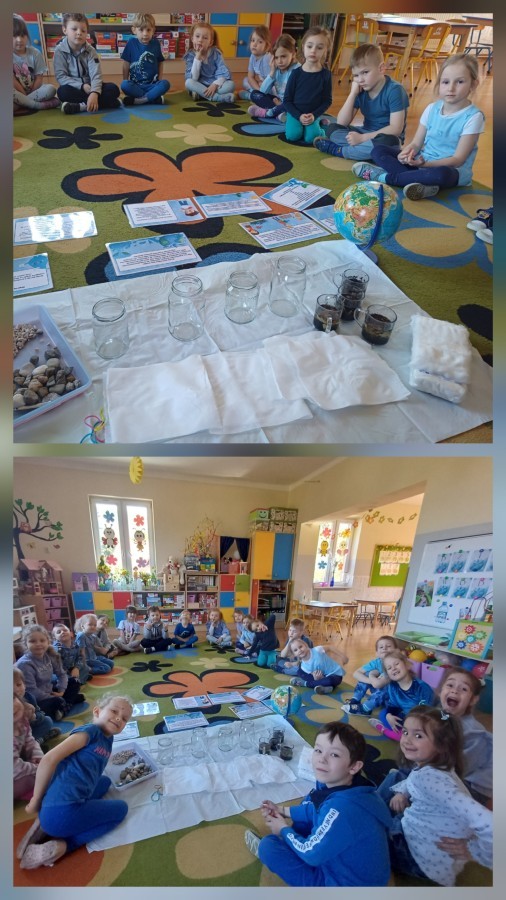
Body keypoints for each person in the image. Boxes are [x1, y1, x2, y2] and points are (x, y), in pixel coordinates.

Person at [244, 721, 391, 886]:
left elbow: (312, 854)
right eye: (318, 750)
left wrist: (283, 830)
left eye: (334, 755)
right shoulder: (348, 786)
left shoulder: (341, 809)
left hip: (344, 883)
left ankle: (285, 845)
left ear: (354, 767)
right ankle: (293, 842)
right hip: (345, 861)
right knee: (307, 807)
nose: (322, 759)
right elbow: (314, 808)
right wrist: (282, 810)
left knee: (268, 847)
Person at [17, 693, 132, 870]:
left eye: (124, 718)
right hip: (61, 813)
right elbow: (48, 760)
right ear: (97, 711)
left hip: (55, 809)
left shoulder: (107, 737)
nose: (118, 718)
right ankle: (65, 845)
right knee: (121, 809)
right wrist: (36, 799)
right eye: (114, 711)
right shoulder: (90, 732)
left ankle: (42, 825)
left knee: (105, 782)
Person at [384, 706, 492, 886]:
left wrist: (475, 851)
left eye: (418, 735)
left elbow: (489, 822)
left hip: (416, 857)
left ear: (442, 745)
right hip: (436, 854)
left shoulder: (430, 780)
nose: (407, 740)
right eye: (405, 732)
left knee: (368, 830)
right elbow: (415, 777)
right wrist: (402, 792)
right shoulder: (438, 767)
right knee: (397, 778)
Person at [352, 54, 485, 201]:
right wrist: (407, 153)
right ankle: (423, 184)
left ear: (473, 85)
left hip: (450, 171)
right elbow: (416, 143)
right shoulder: (432, 109)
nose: (451, 88)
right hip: (422, 162)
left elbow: (458, 160)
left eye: (459, 82)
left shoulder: (474, 117)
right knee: (379, 151)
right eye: (445, 82)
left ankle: (385, 178)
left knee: (441, 174)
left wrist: (427, 165)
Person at [313, 43, 408, 160]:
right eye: (356, 75)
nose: (360, 79)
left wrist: (363, 138)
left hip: (387, 138)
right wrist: (352, 94)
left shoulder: (395, 90)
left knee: (388, 142)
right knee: (332, 128)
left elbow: (396, 129)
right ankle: (364, 152)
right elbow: (341, 122)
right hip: (364, 132)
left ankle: (338, 150)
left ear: (381, 68)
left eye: (365, 72)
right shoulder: (361, 88)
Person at [438, 667, 492, 805]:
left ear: (473, 700)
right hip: (449, 771)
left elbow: (460, 770)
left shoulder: (474, 733)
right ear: (440, 691)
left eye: (463, 689)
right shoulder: (440, 716)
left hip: (474, 785)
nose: (454, 691)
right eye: (450, 685)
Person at [53, 12, 120, 115]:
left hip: (91, 86)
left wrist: (94, 92)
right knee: (62, 92)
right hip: (74, 87)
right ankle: (106, 103)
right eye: (74, 29)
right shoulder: (59, 51)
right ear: (65, 30)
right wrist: (81, 86)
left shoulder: (91, 51)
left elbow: (96, 74)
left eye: (83, 30)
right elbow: (61, 77)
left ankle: (81, 106)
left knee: (113, 89)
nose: (79, 33)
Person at [17, 625, 84, 720]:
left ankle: (65, 704)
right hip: (36, 699)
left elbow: (62, 674)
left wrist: (61, 691)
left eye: (42, 640)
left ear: (48, 642)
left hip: (50, 690)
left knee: (75, 681)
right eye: (32, 641)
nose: (38, 644)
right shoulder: (25, 664)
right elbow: (31, 691)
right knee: (55, 703)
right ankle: (67, 702)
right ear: (25, 643)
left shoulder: (49, 655)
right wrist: (52, 697)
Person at [367, 649, 434, 740]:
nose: (393, 668)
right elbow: (393, 705)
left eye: (396, 664)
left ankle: (384, 730)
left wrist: (409, 726)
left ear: (407, 665)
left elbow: (425, 714)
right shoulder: (392, 686)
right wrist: (389, 716)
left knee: (416, 736)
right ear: (388, 675)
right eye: (389, 668)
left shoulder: (422, 687)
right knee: (383, 714)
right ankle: (400, 733)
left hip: (423, 721)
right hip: (405, 716)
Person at [283, 26, 332, 145]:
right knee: (292, 136)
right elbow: (287, 100)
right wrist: (298, 116)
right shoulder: (296, 73)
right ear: (303, 47)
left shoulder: (326, 75)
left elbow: (327, 100)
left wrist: (314, 115)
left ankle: (321, 126)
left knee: (311, 139)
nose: (313, 51)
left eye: (319, 48)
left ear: (325, 50)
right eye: (310, 46)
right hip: (295, 113)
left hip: (312, 115)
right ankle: (303, 124)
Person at [120, 12, 170, 106]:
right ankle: (152, 98)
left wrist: (159, 79)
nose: (145, 34)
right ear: (134, 30)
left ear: (153, 30)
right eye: (141, 30)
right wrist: (125, 79)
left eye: (148, 30)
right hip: (136, 86)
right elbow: (126, 63)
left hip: (152, 85)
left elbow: (160, 62)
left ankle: (140, 100)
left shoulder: (156, 44)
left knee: (165, 84)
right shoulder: (131, 43)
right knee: (124, 85)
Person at [13, 14, 59, 113]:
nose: (19, 40)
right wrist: (23, 95)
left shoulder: (35, 53)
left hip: (34, 91)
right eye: (14, 36)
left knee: (51, 89)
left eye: (22, 35)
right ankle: (37, 105)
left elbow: (39, 78)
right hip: (17, 92)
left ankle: (23, 105)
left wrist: (27, 96)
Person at [248, 33, 300, 120]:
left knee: (293, 105)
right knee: (254, 94)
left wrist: (282, 104)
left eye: (283, 56)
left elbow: (297, 97)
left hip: (292, 103)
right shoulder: (276, 69)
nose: (279, 61)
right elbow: (263, 91)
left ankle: (268, 113)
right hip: (280, 102)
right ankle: (279, 113)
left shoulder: (297, 69)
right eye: (276, 57)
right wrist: (272, 72)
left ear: (293, 53)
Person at [341, 634, 398, 715]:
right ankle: (355, 699)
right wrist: (371, 679)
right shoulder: (377, 662)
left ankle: (365, 709)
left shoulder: (395, 665)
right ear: (377, 653)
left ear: (396, 651)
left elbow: (378, 684)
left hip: (392, 700)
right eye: (381, 647)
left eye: (388, 646)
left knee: (386, 685)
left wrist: (372, 675)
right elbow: (356, 673)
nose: (384, 648)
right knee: (365, 674)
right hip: (378, 693)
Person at [184, 22, 235, 104]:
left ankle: (201, 94)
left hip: (215, 84)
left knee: (231, 85)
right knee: (188, 82)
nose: (200, 40)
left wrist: (215, 84)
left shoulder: (216, 53)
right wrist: (197, 57)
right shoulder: (190, 55)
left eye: (205, 38)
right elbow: (193, 78)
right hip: (199, 84)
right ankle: (217, 97)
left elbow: (222, 72)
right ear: (192, 38)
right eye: (197, 36)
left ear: (210, 42)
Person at [13, 667, 61, 747]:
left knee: (47, 721)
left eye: (19, 685)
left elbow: (41, 713)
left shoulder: (29, 697)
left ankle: (37, 741)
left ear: (24, 684)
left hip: (31, 730)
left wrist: (34, 716)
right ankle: (40, 740)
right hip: (16, 738)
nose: (16, 690)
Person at [14, 695, 44, 801]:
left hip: (16, 764)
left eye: (12, 698)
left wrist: (38, 756)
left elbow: (30, 740)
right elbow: (14, 767)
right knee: (30, 780)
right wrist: (36, 768)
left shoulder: (22, 720)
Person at [239, 25, 273, 101]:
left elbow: (271, 80)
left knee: (271, 90)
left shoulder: (267, 58)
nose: (254, 44)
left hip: (271, 86)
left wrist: (261, 86)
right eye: (253, 40)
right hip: (262, 86)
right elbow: (250, 77)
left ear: (267, 46)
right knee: (246, 80)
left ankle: (251, 96)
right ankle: (257, 95)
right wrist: (258, 89)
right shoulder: (252, 56)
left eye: (260, 42)